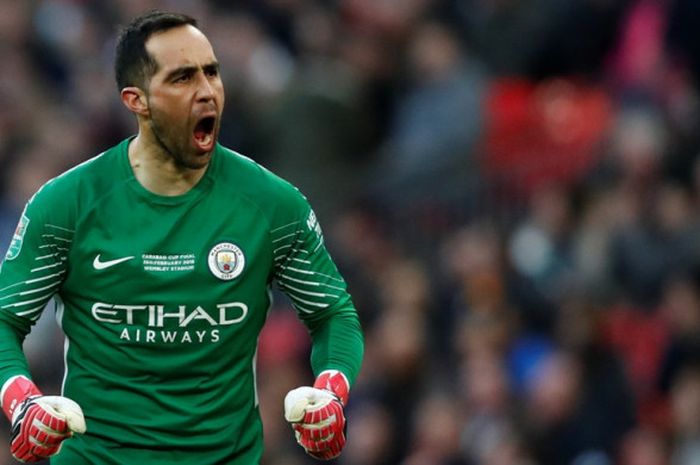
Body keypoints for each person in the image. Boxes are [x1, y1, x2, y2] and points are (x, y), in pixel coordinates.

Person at [0, 10, 364, 465]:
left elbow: (333, 314)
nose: (207, 91)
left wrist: (331, 389)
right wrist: (22, 402)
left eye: (212, 72)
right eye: (183, 78)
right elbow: (4, 320)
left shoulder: (272, 205)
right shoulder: (67, 205)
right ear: (137, 101)